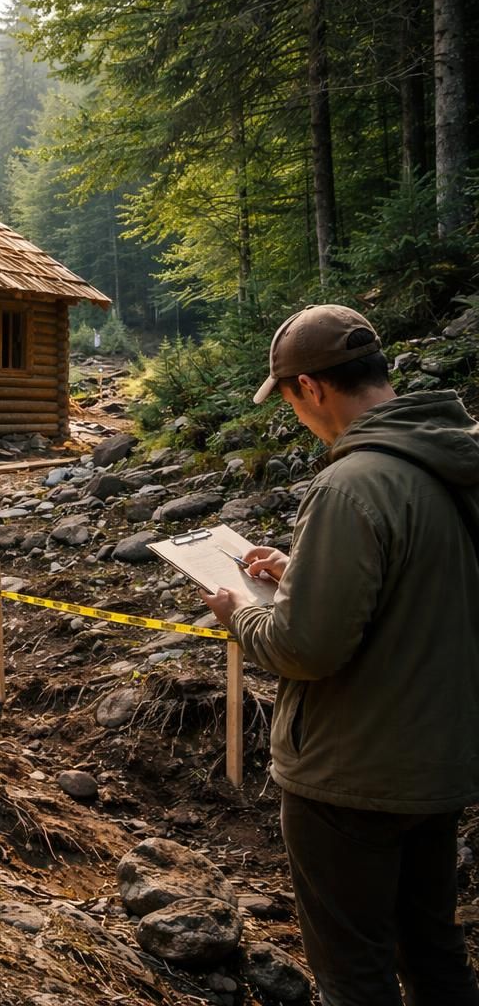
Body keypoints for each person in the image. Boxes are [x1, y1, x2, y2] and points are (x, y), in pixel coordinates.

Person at [201, 304, 479, 1005]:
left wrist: (241, 618)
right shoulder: (453, 458)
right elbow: (425, 587)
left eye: (289, 398)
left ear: (311, 388)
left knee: (354, 974)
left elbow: (305, 648)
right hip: (440, 763)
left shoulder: (351, 485)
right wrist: (301, 570)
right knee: (436, 956)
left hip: (349, 776)